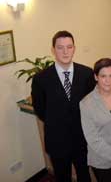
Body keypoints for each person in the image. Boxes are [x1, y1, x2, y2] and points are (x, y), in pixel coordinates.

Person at [31, 30, 96, 182]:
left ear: (74, 48)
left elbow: (92, 105)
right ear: (53, 50)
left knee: (84, 176)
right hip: (57, 141)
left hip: (83, 139)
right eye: (60, 47)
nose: (65, 51)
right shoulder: (41, 79)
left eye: (69, 47)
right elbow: (40, 110)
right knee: (62, 177)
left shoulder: (87, 74)